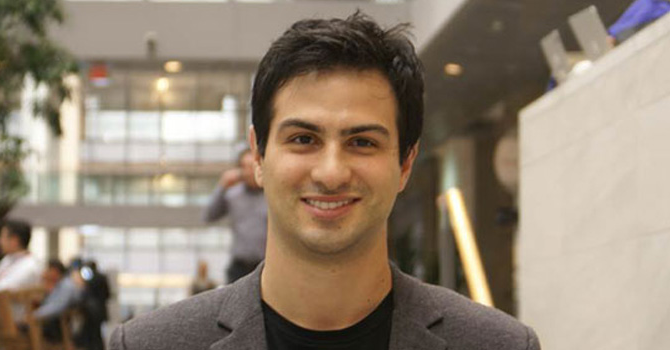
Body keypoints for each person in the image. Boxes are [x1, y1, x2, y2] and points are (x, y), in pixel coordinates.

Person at [110, 12, 541, 350]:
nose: (331, 172)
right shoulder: (151, 344)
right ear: (259, 155)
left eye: (362, 142)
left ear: (406, 163)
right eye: (303, 139)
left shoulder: (497, 345)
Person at [204, 143, 268, 283]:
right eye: (244, 167)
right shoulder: (233, 195)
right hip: (239, 268)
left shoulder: (271, 196)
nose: (248, 172)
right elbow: (209, 215)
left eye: (252, 167)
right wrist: (222, 186)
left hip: (267, 267)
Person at [32, 259, 83, 343]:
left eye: (48, 270)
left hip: (59, 326)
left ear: (55, 271)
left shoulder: (67, 285)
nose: (46, 272)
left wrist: (34, 315)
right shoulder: (59, 284)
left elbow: (57, 307)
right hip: (55, 322)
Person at [0, 219, 42, 292]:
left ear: (14, 240)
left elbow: (3, 290)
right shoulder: (8, 259)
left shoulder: (30, 266)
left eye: (2, 237)